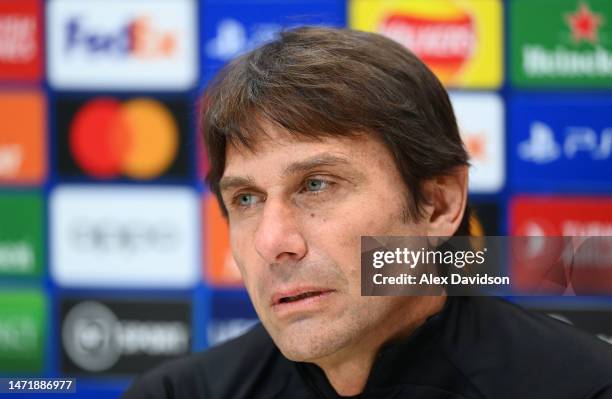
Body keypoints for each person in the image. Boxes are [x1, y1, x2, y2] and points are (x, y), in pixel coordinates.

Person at [123, 27, 612, 399]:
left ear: (438, 204)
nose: (272, 241)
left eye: (316, 185)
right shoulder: (175, 394)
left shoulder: (585, 387)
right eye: (247, 199)